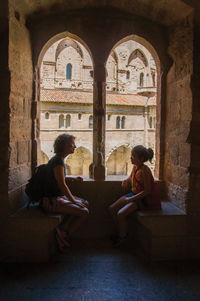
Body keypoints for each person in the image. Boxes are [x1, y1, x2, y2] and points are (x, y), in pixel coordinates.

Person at [41, 134, 89, 251]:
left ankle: (62, 230)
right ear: (65, 146)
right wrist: (74, 201)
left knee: (85, 202)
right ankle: (64, 234)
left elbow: (58, 178)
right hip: (51, 201)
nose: (75, 146)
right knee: (84, 211)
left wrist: (72, 179)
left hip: (56, 198)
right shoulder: (58, 161)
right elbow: (62, 185)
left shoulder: (58, 159)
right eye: (72, 144)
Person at [108, 145, 161, 246]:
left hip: (143, 199)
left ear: (141, 159)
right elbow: (131, 177)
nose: (131, 158)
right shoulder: (135, 167)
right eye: (131, 155)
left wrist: (131, 199)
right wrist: (126, 181)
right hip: (134, 194)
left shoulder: (145, 170)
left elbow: (147, 191)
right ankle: (120, 230)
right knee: (111, 208)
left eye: (133, 156)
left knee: (120, 214)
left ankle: (123, 237)